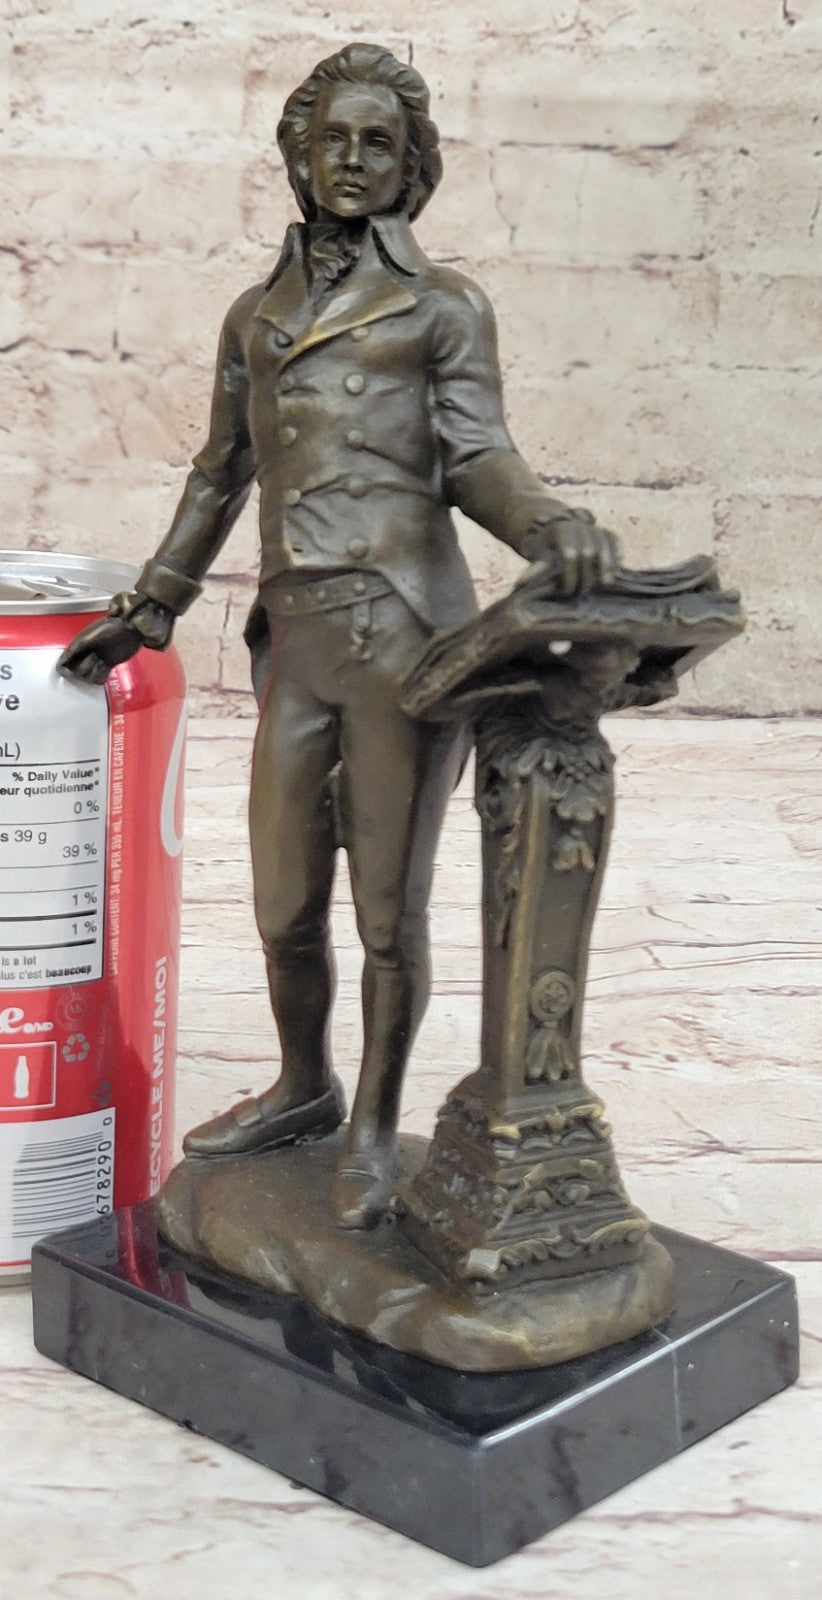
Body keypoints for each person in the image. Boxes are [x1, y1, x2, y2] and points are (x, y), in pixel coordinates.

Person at [60, 43, 617, 1229]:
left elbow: (480, 459)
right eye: (334, 141)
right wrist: (150, 604)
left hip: (406, 644)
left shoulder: (443, 306)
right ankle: (304, 1086)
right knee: (281, 905)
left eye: (379, 143)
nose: (353, 160)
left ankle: (371, 1123)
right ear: (299, 161)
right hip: (298, 647)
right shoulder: (256, 315)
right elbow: (220, 474)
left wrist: (550, 523)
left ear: (413, 166)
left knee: (386, 913)